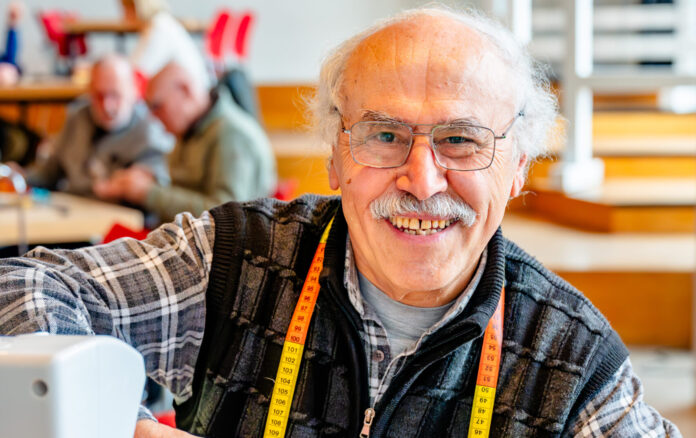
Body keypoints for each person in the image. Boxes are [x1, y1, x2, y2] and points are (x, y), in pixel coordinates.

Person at [0, 7, 680, 438]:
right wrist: (115, 423)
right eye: (384, 136)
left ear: (518, 169)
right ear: (335, 157)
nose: (422, 180)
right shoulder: (236, 261)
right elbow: (20, 288)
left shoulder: (571, 360)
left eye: (460, 140)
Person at [102, 61, 276, 222]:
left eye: (157, 106)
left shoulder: (233, 134)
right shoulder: (191, 129)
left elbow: (228, 217)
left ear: (185, 90)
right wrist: (153, 181)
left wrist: (149, 193)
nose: (153, 117)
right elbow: (187, 190)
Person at [18, 54, 172, 199]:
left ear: (133, 91)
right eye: (99, 96)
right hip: (75, 208)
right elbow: (49, 174)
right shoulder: (76, 118)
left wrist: (135, 188)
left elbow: (159, 189)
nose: (107, 106)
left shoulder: (150, 130)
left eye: (115, 95)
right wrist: (19, 177)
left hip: (120, 213)